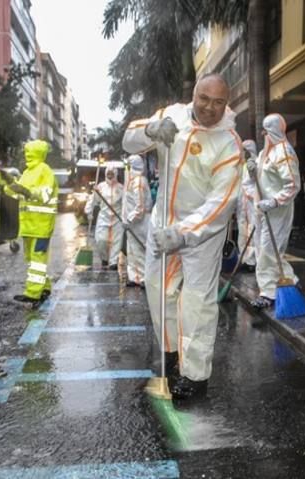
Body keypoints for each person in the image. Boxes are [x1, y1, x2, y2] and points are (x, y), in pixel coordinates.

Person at [122, 73, 242, 399]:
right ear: (195, 96)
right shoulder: (171, 116)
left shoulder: (229, 144)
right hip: (163, 225)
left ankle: (195, 376)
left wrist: (184, 234)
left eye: (219, 102)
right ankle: (173, 354)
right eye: (205, 99)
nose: (210, 108)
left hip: (202, 236)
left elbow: (221, 203)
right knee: (158, 290)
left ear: (225, 103)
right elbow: (128, 140)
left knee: (197, 304)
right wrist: (150, 130)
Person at [247, 113, 301, 310]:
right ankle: (292, 280)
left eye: (266, 130)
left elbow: (293, 185)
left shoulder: (284, 153)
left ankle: (268, 293)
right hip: (262, 211)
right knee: (265, 251)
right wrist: (252, 169)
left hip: (277, 212)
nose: (263, 134)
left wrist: (274, 202)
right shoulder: (264, 154)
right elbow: (259, 181)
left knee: (268, 252)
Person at [5, 140, 58, 306]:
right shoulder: (27, 172)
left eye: (30, 151)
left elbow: (45, 194)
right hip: (28, 226)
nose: (27, 154)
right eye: (26, 151)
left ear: (38, 152)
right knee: (33, 260)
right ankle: (45, 286)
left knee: (37, 259)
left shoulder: (45, 170)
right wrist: (9, 186)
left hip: (41, 226)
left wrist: (27, 191)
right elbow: (18, 195)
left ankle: (33, 293)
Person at [123, 155, 152, 287]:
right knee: (132, 250)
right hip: (132, 224)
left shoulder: (139, 182)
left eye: (127, 166)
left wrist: (129, 219)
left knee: (141, 249)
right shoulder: (133, 181)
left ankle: (145, 278)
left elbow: (139, 207)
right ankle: (135, 276)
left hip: (139, 223)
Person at [94, 167, 124, 270]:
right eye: (108, 173)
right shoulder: (100, 186)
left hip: (117, 217)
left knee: (116, 241)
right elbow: (95, 200)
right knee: (101, 240)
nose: (110, 175)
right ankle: (104, 258)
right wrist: (89, 211)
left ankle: (113, 262)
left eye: (112, 173)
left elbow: (125, 204)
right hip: (104, 217)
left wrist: (125, 217)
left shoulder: (121, 188)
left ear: (115, 174)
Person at [238, 140, 260, 271]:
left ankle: (252, 261)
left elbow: (253, 182)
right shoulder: (243, 165)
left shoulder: (255, 163)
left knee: (252, 230)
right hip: (242, 204)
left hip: (251, 202)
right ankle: (244, 259)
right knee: (242, 231)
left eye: (244, 150)